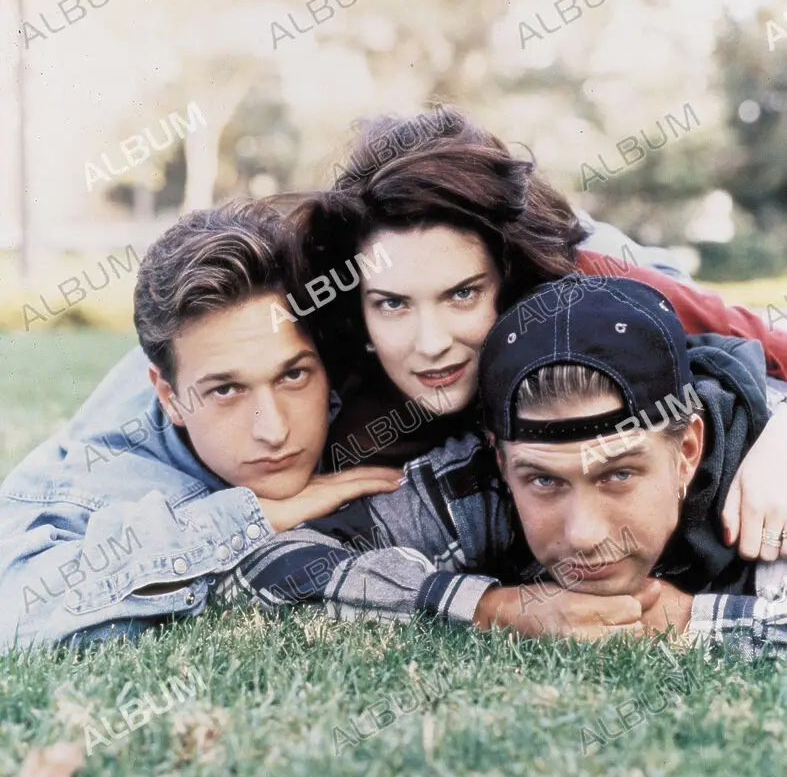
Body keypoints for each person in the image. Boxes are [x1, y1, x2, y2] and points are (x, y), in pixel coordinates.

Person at [295, 107, 787, 559]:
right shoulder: (329, 367)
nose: (431, 343)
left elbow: (776, 349)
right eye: (393, 303)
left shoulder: (598, 291)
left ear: (507, 280)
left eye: (462, 294)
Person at [235, 276, 787, 660]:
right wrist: (493, 607)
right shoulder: (481, 484)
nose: (583, 533)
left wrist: (693, 621)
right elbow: (265, 567)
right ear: (501, 459)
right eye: (544, 481)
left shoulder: (767, 471)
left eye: (618, 475)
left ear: (687, 450)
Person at [0, 200, 400, 652]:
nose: (273, 431)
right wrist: (249, 518)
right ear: (170, 397)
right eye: (226, 391)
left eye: (292, 375)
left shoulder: (343, 334)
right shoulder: (99, 476)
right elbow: (15, 613)